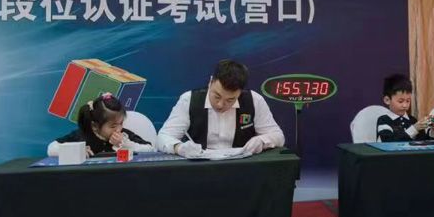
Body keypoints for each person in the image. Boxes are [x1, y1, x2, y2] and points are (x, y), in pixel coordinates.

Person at [157, 59, 285, 156]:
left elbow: (278, 136)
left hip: (243, 168)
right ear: (210, 82)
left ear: (240, 92)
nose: (220, 105)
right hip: (199, 169)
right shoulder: (189, 100)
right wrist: (179, 148)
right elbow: (163, 137)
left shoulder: (254, 100)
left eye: (230, 100)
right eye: (217, 96)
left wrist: (262, 141)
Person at [47, 93, 155, 156]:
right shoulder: (82, 135)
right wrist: (76, 151)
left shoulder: (124, 136)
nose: (119, 129)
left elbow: (150, 149)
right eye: (113, 126)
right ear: (95, 126)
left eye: (121, 123)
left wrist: (126, 144)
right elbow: (51, 149)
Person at [376, 74, 434, 142]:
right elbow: (389, 142)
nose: (405, 105)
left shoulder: (413, 120)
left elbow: (424, 142)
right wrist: (414, 128)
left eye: (408, 101)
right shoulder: (383, 120)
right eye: (400, 101)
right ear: (387, 100)